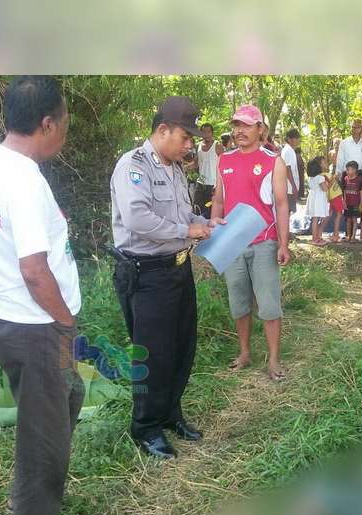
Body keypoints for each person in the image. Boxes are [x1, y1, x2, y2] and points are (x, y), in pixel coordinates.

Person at [0, 76, 82, 515]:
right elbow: (34, 271)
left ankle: (24, 498)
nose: (66, 129)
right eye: (65, 120)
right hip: (38, 328)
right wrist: (65, 322)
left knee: (60, 405)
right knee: (46, 443)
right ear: (48, 123)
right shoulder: (24, 181)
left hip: (9, 321)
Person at [109, 96, 219, 460]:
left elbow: (185, 217)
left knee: (181, 347)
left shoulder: (175, 169)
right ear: (162, 130)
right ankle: (145, 426)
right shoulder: (133, 166)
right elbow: (138, 219)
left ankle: (170, 413)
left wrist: (207, 224)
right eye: (185, 137)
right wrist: (187, 230)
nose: (190, 145)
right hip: (148, 275)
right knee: (152, 354)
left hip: (178, 269)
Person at [210, 104, 291, 382]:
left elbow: (281, 204)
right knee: (238, 301)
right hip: (232, 243)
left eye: (246, 125)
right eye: (236, 125)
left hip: (263, 241)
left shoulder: (273, 161)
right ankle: (244, 352)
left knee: (268, 303)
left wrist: (283, 243)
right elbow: (218, 200)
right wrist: (214, 229)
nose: (239, 131)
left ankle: (274, 358)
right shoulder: (224, 160)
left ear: (260, 129)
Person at [191, 123, 223, 219]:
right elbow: (196, 163)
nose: (206, 134)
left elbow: (224, 165)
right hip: (200, 183)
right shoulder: (198, 146)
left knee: (211, 212)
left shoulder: (218, 145)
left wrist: (220, 184)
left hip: (213, 185)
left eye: (208, 132)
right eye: (204, 132)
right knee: (196, 209)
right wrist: (184, 167)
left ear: (212, 133)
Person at [305, 156, 330, 246]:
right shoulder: (320, 178)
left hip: (313, 198)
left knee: (315, 219)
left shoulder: (310, 178)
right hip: (319, 199)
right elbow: (325, 189)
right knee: (317, 218)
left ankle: (315, 237)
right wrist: (330, 182)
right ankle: (315, 238)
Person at [341, 161, 362, 242]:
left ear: (354, 170)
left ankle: (353, 236)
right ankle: (348, 236)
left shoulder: (359, 179)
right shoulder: (345, 178)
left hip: (356, 203)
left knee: (354, 220)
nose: (347, 171)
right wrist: (344, 201)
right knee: (348, 220)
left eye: (348, 169)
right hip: (348, 203)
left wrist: (361, 203)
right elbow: (344, 191)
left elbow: (361, 192)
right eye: (346, 169)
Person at [280, 128, 301, 212]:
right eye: (296, 138)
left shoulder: (290, 150)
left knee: (288, 211)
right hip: (289, 187)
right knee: (287, 211)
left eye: (298, 138)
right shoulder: (288, 150)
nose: (298, 140)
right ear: (289, 139)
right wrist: (293, 186)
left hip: (289, 187)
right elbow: (287, 169)